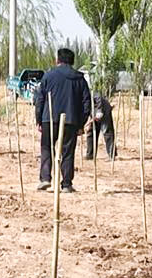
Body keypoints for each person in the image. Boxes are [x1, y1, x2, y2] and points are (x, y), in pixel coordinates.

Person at [34, 47, 91, 192]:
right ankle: (66, 184)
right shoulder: (80, 79)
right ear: (72, 61)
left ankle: (45, 178)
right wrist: (81, 123)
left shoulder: (48, 76)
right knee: (68, 152)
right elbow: (87, 103)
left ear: (58, 60)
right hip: (71, 121)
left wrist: (39, 119)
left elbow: (40, 99)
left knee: (47, 147)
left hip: (49, 118)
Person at [83, 91, 117, 161]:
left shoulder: (86, 92)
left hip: (104, 111)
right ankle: (90, 155)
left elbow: (98, 97)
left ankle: (111, 155)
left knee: (107, 132)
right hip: (94, 113)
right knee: (91, 133)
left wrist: (99, 110)